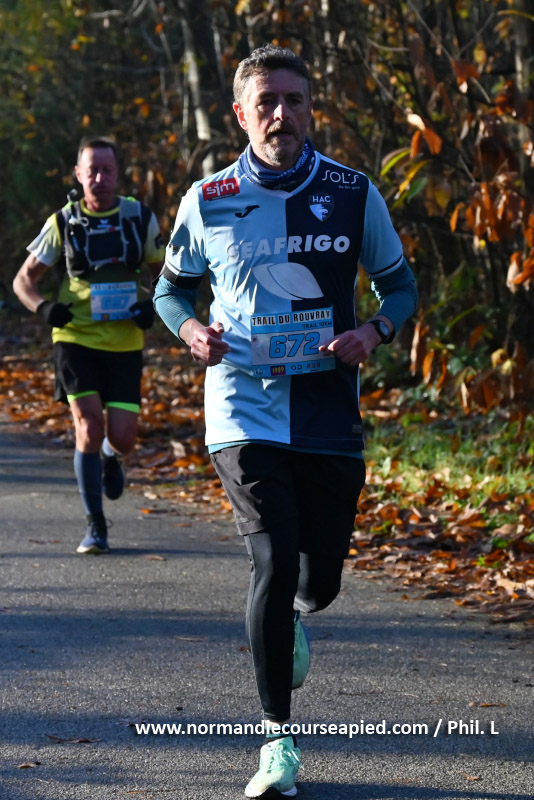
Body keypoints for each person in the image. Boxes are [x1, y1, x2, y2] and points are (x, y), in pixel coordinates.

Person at [154, 45, 418, 798]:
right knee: (271, 562)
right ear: (241, 114)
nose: (281, 114)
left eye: (293, 100)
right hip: (243, 408)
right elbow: (170, 292)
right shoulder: (208, 198)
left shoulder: (353, 192)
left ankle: (301, 613)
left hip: (328, 409)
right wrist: (191, 332)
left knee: (318, 577)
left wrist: (374, 332)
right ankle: (277, 744)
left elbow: (400, 287)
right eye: (266, 102)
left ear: (311, 110)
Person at [13, 136, 164, 555]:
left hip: (124, 340)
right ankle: (96, 525)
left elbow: (165, 274)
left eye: (107, 170)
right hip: (75, 338)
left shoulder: (138, 218)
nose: (99, 178)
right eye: (91, 170)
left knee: (123, 436)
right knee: (89, 426)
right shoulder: (63, 222)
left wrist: (152, 306)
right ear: (78, 174)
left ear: (118, 174)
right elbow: (24, 280)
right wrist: (45, 308)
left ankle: (112, 457)